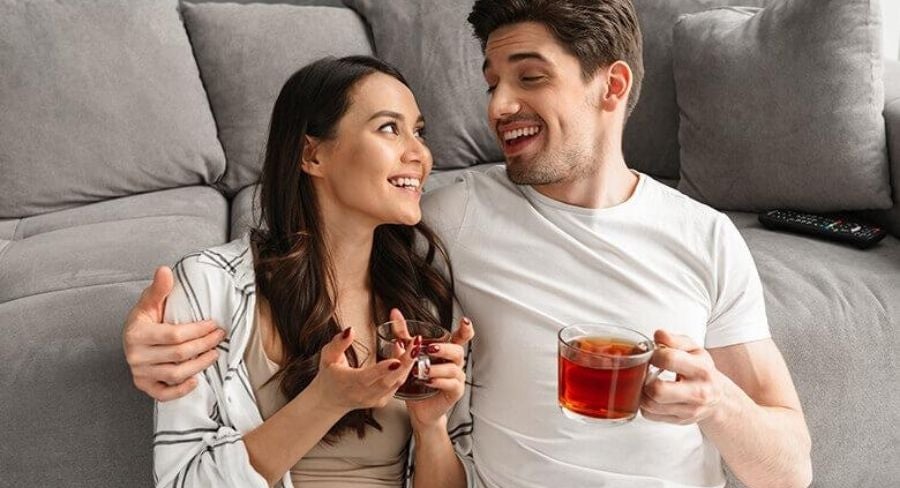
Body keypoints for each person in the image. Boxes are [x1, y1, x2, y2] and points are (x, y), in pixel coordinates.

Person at [125, 1, 812, 487]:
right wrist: (146, 336)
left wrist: (717, 403)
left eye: (529, 77)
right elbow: (296, 247)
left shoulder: (707, 236)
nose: (498, 106)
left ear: (613, 86)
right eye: (492, 83)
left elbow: (789, 471)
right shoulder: (444, 220)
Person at [143, 55, 474, 488]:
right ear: (311, 154)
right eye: (389, 128)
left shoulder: (425, 300)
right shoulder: (210, 286)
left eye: (419, 132)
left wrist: (431, 426)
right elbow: (182, 481)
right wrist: (324, 402)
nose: (420, 154)